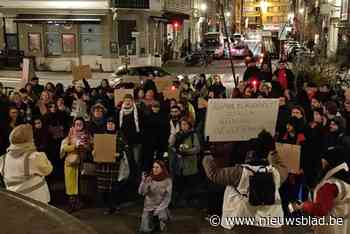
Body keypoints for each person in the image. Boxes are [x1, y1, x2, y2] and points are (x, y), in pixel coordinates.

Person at [202, 130, 288, 234]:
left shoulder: (239, 173)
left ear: (250, 153)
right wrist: (273, 151)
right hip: (271, 223)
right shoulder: (276, 173)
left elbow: (214, 174)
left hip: (239, 222)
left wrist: (207, 154)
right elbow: (282, 166)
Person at [292, 146, 350, 234]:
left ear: (330, 162)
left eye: (324, 161)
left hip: (329, 229)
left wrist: (304, 206)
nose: (322, 164)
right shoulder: (345, 182)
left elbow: (321, 209)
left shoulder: (329, 185)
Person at [0, 124, 53, 203]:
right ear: (29, 140)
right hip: (37, 201)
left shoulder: (3, 159)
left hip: (14, 202)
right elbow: (48, 170)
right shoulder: (34, 157)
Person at [60, 117, 92, 213]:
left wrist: (85, 146)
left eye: (80, 123)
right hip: (71, 162)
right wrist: (75, 146)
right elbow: (64, 148)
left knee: (80, 184)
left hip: (81, 162)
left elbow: (91, 147)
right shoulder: (70, 135)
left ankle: (78, 203)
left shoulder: (87, 135)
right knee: (71, 184)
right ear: (73, 125)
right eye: (76, 123)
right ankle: (71, 204)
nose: (78, 125)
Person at [139, 160, 172, 233]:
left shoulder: (167, 180)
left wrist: (159, 209)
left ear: (162, 169)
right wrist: (143, 182)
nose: (155, 169)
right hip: (149, 207)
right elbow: (142, 193)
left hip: (161, 207)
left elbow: (167, 198)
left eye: (157, 167)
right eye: (153, 167)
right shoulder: (149, 179)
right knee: (146, 230)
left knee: (161, 227)